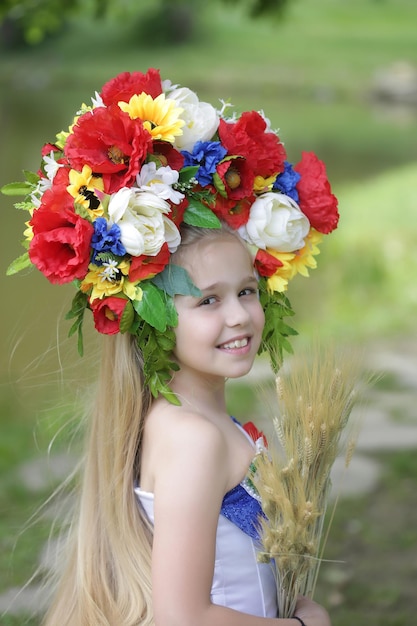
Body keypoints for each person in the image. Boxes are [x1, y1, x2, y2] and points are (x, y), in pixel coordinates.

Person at [2, 68, 339, 625]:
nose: (239, 315)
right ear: (154, 320)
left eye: (248, 291)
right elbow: (184, 618)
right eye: (207, 301)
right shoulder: (192, 441)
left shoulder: (184, 420)